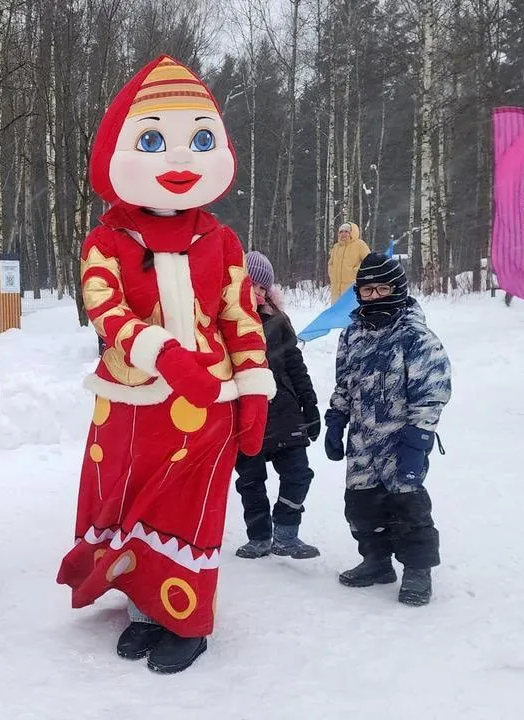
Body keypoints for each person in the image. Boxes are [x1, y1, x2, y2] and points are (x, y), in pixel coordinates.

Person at [55, 55, 276, 675]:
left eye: (199, 141)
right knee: (131, 504)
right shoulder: (108, 240)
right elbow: (106, 308)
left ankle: (188, 619)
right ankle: (147, 610)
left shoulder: (223, 241)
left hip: (207, 401)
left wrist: (255, 388)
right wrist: (162, 353)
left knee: (190, 511)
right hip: (129, 405)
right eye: (152, 141)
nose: (178, 161)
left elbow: (240, 317)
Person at [324, 252, 452, 606]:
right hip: (362, 440)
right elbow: (345, 384)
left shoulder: (417, 338)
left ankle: (417, 569)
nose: (375, 297)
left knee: (407, 505)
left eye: (383, 288)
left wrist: (418, 441)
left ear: (398, 289)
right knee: (361, 504)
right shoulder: (352, 335)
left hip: (401, 440)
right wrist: (335, 420)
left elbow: (431, 395)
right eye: (367, 290)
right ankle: (376, 561)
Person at [233, 251, 321, 560]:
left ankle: (286, 533)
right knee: (251, 481)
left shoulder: (277, 321)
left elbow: (296, 367)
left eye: (263, 289)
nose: (258, 294)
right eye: (252, 286)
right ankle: (258, 537)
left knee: (299, 474)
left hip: (284, 412)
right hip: (244, 417)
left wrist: (309, 406)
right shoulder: (224, 324)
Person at [327, 222, 370, 304]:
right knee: (337, 314)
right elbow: (331, 263)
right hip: (336, 290)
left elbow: (369, 261)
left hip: (352, 288)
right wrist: (332, 273)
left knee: (352, 313)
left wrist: (355, 272)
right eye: (341, 232)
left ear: (352, 233)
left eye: (346, 231)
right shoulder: (336, 247)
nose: (343, 234)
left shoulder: (360, 244)